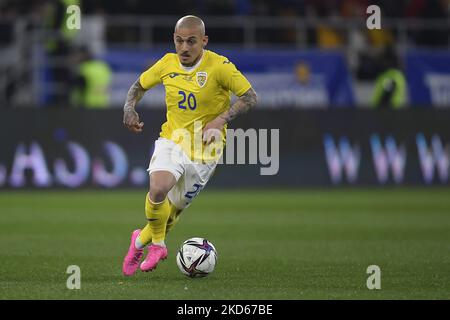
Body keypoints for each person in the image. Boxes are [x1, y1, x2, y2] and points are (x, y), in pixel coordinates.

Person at [121, 15, 257, 275]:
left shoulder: (220, 67)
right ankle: (158, 245)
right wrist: (129, 109)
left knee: (169, 214)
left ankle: (139, 241)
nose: (184, 48)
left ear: (204, 41)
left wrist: (220, 119)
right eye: (179, 41)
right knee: (158, 189)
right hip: (173, 139)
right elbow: (138, 87)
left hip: (206, 151)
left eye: (191, 42)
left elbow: (250, 97)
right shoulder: (167, 63)